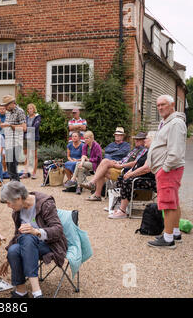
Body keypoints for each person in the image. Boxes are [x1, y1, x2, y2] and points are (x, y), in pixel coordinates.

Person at [0, 181, 67, 298]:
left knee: (28, 237)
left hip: (49, 244)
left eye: (9, 202)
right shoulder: (17, 211)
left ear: (19, 198)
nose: (8, 206)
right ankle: (22, 291)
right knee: (14, 250)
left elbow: (58, 230)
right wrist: (8, 259)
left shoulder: (45, 203)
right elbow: (17, 235)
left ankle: (36, 292)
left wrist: (36, 231)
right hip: (28, 246)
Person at [146, 95, 187, 249]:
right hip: (168, 169)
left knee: (168, 203)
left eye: (163, 104)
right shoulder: (166, 122)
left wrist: (164, 169)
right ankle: (175, 232)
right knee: (173, 200)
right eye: (158, 105)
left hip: (169, 169)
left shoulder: (175, 123)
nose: (160, 108)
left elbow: (175, 151)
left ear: (172, 105)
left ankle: (168, 238)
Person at [80, 131, 148, 200]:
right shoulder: (134, 149)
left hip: (126, 170)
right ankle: (94, 188)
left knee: (103, 167)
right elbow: (107, 151)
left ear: (144, 140)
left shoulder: (142, 150)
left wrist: (120, 165)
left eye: (138, 139)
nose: (136, 141)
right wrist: (118, 162)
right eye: (136, 139)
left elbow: (136, 162)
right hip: (120, 164)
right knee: (104, 163)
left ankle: (94, 188)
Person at [108, 132, 156, 219]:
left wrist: (131, 174)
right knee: (121, 178)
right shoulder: (147, 151)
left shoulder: (153, 152)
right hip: (140, 177)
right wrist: (129, 172)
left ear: (152, 140)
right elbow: (137, 164)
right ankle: (118, 206)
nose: (145, 140)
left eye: (147, 138)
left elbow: (146, 168)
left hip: (149, 179)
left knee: (127, 181)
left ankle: (122, 211)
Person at [64, 131, 102, 195]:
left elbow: (98, 159)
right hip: (86, 163)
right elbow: (83, 156)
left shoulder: (96, 146)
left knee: (77, 164)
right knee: (80, 168)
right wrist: (81, 163)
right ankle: (79, 187)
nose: (85, 140)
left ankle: (73, 179)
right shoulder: (85, 146)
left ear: (92, 138)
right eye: (85, 138)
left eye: (87, 138)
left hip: (95, 164)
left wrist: (89, 159)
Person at [0, 95, 27, 181]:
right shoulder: (8, 112)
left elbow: (24, 128)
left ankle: (16, 185)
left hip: (16, 141)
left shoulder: (20, 111)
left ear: (12, 103)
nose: (5, 107)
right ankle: (12, 184)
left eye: (6, 105)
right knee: (9, 165)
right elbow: (7, 126)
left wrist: (10, 125)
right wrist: (0, 124)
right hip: (8, 140)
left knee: (13, 165)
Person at [22, 103, 41, 179]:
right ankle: (25, 173)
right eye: (29, 109)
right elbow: (23, 127)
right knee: (26, 156)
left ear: (34, 109)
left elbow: (35, 127)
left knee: (34, 156)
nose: (30, 110)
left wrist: (26, 129)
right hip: (26, 138)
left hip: (34, 138)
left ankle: (34, 173)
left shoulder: (37, 117)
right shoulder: (25, 118)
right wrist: (26, 128)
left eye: (31, 108)